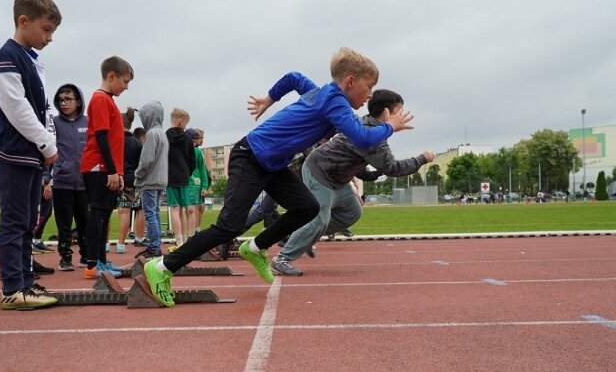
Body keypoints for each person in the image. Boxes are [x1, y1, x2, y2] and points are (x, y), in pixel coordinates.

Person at [144, 47, 414, 307]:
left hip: (271, 165)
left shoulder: (322, 94)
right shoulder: (335, 101)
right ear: (350, 81)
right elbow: (361, 136)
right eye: (369, 86)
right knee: (229, 226)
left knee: (307, 207)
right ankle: (163, 267)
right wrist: (390, 126)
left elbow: (293, 77)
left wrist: (269, 99)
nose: (370, 94)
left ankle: (255, 246)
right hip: (249, 156)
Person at [271, 89, 434, 276]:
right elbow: (392, 168)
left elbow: (373, 164)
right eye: (400, 112)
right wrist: (422, 158)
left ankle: (303, 236)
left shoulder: (371, 128)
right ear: (387, 113)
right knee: (320, 220)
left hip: (338, 180)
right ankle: (282, 259)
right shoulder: (372, 135)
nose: (404, 118)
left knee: (352, 213)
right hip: (319, 172)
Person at [0, 0, 62, 310]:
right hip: (15, 151)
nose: (50, 37)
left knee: (28, 221)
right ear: (23, 21)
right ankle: (13, 288)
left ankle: (25, 280)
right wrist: (47, 143)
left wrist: (46, 143)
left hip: (29, 152)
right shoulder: (7, 57)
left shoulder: (27, 60)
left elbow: (37, 109)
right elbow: (16, 108)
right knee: (15, 220)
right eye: (46, 29)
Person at [81, 55, 134, 279]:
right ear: (111, 76)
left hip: (107, 167)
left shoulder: (109, 100)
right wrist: (111, 170)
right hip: (98, 166)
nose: (126, 87)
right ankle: (93, 264)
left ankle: (101, 260)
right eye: (125, 82)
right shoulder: (101, 99)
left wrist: (118, 172)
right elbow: (101, 137)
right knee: (98, 213)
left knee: (103, 214)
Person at [49, 83, 88, 271]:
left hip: (84, 183)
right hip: (62, 181)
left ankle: (86, 255)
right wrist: (47, 178)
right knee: (63, 224)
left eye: (68, 99)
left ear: (78, 101)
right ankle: (65, 257)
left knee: (85, 222)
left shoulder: (88, 123)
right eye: (60, 100)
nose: (63, 104)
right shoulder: (54, 123)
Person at [134, 101, 169, 259]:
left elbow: (146, 160)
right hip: (161, 179)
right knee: (154, 213)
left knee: (149, 214)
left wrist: (138, 175)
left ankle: (154, 247)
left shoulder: (151, 134)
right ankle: (156, 245)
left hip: (150, 180)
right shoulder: (162, 133)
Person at [165, 108, 195, 250]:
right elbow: (192, 160)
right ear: (181, 121)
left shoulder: (165, 137)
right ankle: (183, 239)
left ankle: (178, 240)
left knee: (174, 209)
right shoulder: (188, 139)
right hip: (183, 176)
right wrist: (187, 172)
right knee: (183, 209)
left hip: (170, 177)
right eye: (186, 123)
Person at [116, 107, 144, 254]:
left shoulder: (114, 140)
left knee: (113, 212)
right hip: (132, 180)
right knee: (135, 210)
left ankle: (107, 243)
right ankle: (123, 243)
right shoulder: (137, 143)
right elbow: (142, 164)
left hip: (114, 178)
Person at [186, 128, 209, 236]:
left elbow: (202, 169)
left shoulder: (198, 152)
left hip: (195, 184)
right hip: (185, 183)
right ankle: (190, 232)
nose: (201, 141)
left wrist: (204, 186)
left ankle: (195, 231)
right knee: (188, 209)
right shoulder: (184, 150)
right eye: (200, 138)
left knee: (197, 208)